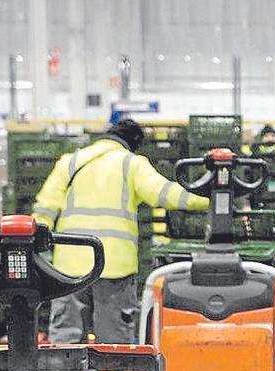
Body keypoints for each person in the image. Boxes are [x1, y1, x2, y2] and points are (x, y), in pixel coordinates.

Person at [32, 119, 209, 344]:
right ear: (133, 142)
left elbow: (45, 206)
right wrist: (209, 199)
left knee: (66, 337)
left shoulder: (70, 162)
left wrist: (31, 238)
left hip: (69, 265)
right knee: (114, 340)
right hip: (112, 264)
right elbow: (164, 194)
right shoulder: (131, 163)